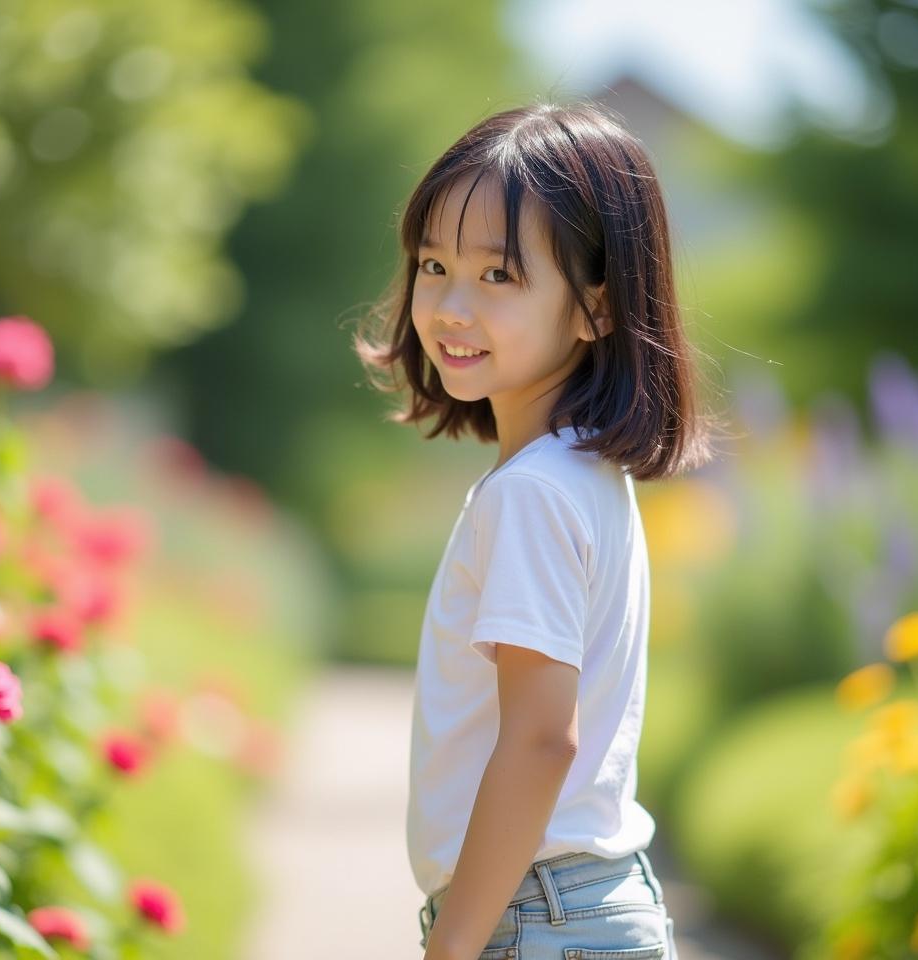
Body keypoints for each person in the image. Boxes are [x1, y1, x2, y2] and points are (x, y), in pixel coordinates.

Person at [352, 99, 717, 960]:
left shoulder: (534, 495)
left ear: (596, 308)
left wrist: (455, 947)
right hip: (575, 910)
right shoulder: (584, 475)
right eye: (434, 264)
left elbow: (542, 736)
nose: (447, 305)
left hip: (537, 919)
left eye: (498, 276)